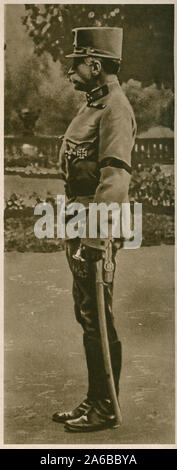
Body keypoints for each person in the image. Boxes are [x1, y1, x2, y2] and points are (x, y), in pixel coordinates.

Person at [52, 27, 136, 432]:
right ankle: (95, 399)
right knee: (87, 312)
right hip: (77, 217)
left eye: (75, 65)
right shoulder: (94, 106)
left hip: (94, 224)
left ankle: (106, 408)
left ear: (95, 65)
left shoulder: (115, 107)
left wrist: (95, 237)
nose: (71, 72)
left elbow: (114, 177)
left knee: (98, 314)